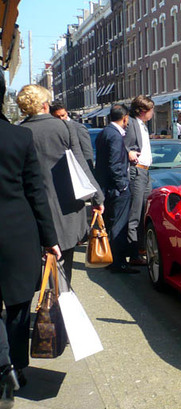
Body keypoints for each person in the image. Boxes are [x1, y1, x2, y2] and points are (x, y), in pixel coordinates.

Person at [0, 74, 62, 395]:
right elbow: (35, 193)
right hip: (16, 233)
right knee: (18, 304)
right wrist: (50, 239)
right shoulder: (19, 138)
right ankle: (15, 370)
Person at [17, 84, 104, 283]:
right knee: (65, 262)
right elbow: (81, 164)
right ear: (45, 105)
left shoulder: (20, 132)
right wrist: (97, 197)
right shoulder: (64, 127)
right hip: (67, 206)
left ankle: (47, 301)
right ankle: (61, 301)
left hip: (34, 208)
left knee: (42, 262)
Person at [95, 104, 138, 274]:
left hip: (107, 187)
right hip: (117, 189)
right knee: (119, 225)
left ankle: (112, 259)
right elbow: (114, 164)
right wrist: (123, 184)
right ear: (125, 117)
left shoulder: (104, 133)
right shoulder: (115, 136)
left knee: (111, 223)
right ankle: (118, 262)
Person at [124, 95, 155, 266]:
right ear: (143, 111)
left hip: (145, 173)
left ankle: (141, 249)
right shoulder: (132, 124)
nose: (152, 113)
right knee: (135, 214)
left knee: (145, 211)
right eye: (151, 110)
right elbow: (124, 145)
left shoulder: (142, 125)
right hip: (137, 173)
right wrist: (128, 152)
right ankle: (133, 253)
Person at [50, 102, 95, 171]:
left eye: (63, 115)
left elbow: (87, 152)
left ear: (67, 113)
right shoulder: (53, 130)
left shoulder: (78, 128)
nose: (61, 118)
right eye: (57, 117)